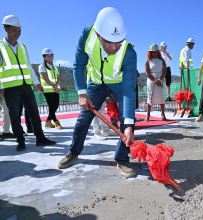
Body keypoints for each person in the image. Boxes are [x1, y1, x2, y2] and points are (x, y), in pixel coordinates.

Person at [57, 7, 138, 178]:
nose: (114, 47)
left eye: (118, 42)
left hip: (119, 84)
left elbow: (130, 91)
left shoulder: (129, 52)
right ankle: (73, 152)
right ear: (99, 34)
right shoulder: (87, 35)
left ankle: (122, 159)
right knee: (84, 118)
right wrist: (82, 93)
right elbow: (78, 65)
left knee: (127, 120)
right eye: (109, 42)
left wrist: (129, 125)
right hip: (95, 82)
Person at [0, 15, 56, 151]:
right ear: (6, 28)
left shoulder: (23, 47)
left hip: (26, 85)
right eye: (15, 30)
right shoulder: (1, 47)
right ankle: (20, 141)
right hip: (10, 87)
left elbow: (29, 66)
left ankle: (40, 138)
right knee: (14, 115)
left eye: (19, 31)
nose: (18, 33)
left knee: (34, 112)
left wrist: (37, 83)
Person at [38, 48, 63, 129]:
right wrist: (54, 86)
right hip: (47, 89)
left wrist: (57, 86)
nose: (50, 58)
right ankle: (56, 121)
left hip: (55, 89)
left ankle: (48, 121)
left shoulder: (55, 67)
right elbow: (45, 78)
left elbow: (59, 78)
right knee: (51, 106)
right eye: (47, 56)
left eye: (51, 56)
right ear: (44, 57)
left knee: (56, 105)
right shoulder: (42, 66)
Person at [145, 44, 167, 121]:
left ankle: (163, 114)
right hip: (151, 81)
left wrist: (160, 79)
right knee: (150, 97)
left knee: (161, 97)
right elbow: (147, 73)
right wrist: (154, 80)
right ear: (150, 53)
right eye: (152, 52)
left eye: (156, 52)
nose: (154, 53)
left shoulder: (162, 61)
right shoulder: (147, 61)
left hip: (160, 80)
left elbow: (165, 71)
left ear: (158, 52)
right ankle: (148, 114)